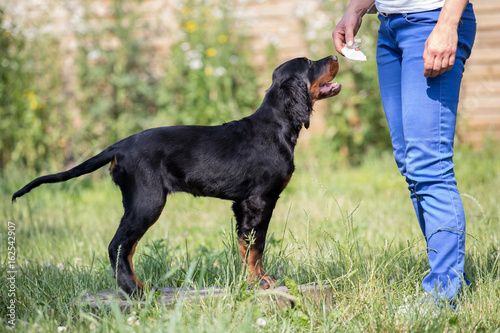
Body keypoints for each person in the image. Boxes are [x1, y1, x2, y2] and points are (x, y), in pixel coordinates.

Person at [332, 0, 476, 305]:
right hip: (390, 28)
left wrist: (448, 25)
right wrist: (355, 10)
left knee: (428, 165)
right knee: (411, 165)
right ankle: (451, 280)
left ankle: (441, 295)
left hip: (432, 22)